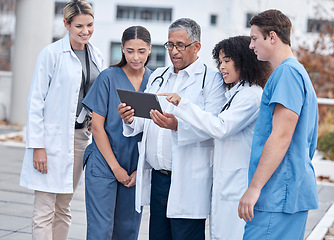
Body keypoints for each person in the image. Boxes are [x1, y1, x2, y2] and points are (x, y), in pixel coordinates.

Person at [118, 18, 224, 240]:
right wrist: (129, 118)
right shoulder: (158, 76)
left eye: (180, 45)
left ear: (196, 47)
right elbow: (145, 120)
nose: (173, 51)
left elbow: (214, 127)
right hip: (159, 179)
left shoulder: (211, 80)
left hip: (187, 179)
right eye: (169, 45)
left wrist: (177, 126)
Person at [161, 36, 272, 240]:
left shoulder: (251, 96)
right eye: (219, 61)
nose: (221, 67)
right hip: (225, 180)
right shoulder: (236, 93)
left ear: (243, 61)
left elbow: (220, 127)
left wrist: (183, 105)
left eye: (227, 60)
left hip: (237, 183)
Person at [19, 0, 103, 239]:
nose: (85, 31)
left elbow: (93, 96)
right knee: (45, 209)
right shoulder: (51, 54)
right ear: (66, 24)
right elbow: (36, 102)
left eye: (89, 25)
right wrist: (37, 146)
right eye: (79, 26)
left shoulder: (96, 55)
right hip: (50, 139)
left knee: (64, 207)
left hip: (78, 139)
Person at [238, 9, 319, 240]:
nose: (251, 45)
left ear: (272, 37)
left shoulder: (287, 74)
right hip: (285, 191)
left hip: (277, 195)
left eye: (254, 38)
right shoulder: (295, 72)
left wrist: (254, 189)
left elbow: (281, 137)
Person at [81, 25, 152, 240]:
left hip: (135, 168)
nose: (135, 57)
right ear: (122, 49)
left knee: (127, 231)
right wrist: (116, 168)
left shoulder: (155, 80)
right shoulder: (108, 77)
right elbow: (97, 126)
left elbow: (155, 131)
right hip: (104, 163)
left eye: (141, 51)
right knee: (100, 232)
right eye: (130, 50)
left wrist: (140, 170)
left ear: (149, 49)